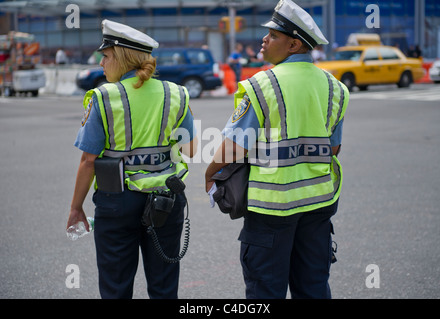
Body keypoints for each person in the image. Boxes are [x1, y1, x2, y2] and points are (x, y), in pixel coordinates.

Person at [205, 0, 349, 299]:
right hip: (319, 203)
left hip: (272, 207)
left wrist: (209, 174)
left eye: (272, 35)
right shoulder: (335, 87)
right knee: (313, 286)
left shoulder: (260, 85)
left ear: (293, 44)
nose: (264, 39)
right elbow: (333, 147)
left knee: (265, 291)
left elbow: (233, 148)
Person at [67, 19, 198, 299]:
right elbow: (190, 150)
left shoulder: (103, 97)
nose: (102, 63)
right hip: (165, 200)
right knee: (164, 288)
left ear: (123, 58)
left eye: (106, 56)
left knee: (116, 288)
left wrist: (76, 208)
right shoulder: (176, 93)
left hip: (117, 202)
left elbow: (88, 160)